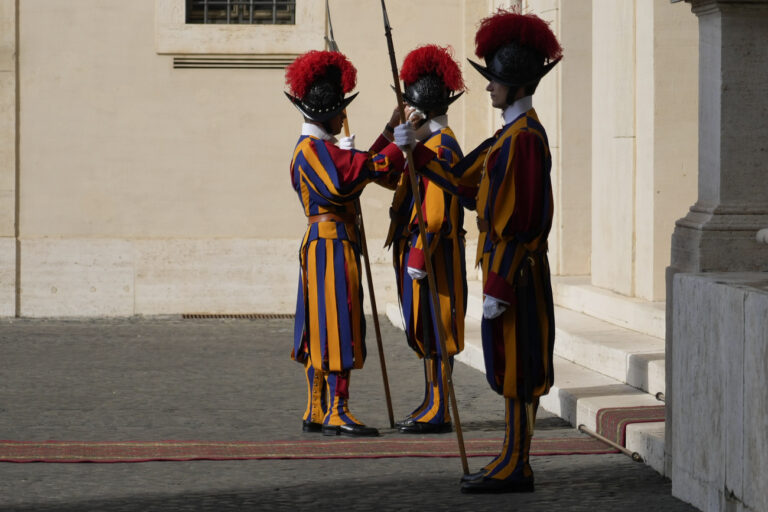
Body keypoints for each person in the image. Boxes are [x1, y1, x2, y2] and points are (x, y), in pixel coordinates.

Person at [393, 10, 562, 492]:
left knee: (520, 369)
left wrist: (500, 282)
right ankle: (510, 456)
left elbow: (524, 219)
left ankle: (518, 463)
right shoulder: (508, 136)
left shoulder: (525, 140)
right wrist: (416, 152)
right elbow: (464, 183)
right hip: (506, 273)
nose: (487, 89)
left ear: (514, 85)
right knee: (508, 367)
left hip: (517, 275)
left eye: (494, 81)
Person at [285, 50, 411, 437]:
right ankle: (335, 409)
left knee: (321, 322)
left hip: (328, 241)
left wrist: (390, 133)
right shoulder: (314, 152)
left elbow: (356, 166)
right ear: (326, 114)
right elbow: (358, 173)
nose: (343, 117)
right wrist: (399, 147)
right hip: (330, 245)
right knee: (337, 322)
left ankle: (318, 406)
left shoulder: (319, 149)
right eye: (339, 111)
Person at [375, 45, 468, 434]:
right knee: (425, 330)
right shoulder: (422, 143)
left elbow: (434, 212)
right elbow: (382, 175)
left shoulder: (440, 146)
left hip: (433, 253)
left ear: (421, 110)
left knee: (437, 330)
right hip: (420, 250)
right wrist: (391, 132)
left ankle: (440, 407)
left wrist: (417, 254)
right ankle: (432, 399)